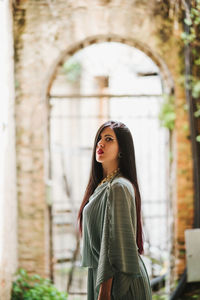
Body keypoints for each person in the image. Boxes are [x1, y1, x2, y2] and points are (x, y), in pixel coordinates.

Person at [78, 120, 152, 300]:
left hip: (117, 285)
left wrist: (104, 293)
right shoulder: (103, 186)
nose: (100, 143)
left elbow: (112, 246)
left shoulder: (118, 187)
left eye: (109, 139)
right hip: (103, 278)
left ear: (122, 150)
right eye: (100, 139)